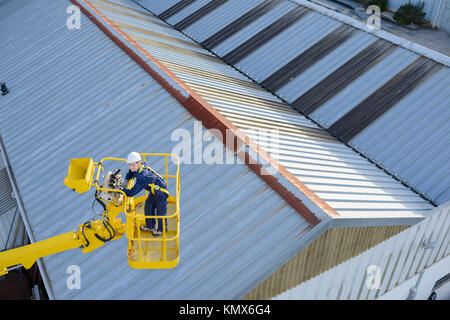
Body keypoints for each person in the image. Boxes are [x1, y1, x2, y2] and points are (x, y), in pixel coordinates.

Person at [121, 152, 169, 236]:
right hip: (155, 190)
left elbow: (132, 192)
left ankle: (162, 230)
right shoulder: (140, 165)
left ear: (138, 163)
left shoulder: (143, 176)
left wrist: (121, 191)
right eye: (129, 165)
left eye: (133, 165)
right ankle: (150, 226)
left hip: (161, 192)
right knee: (149, 206)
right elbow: (131, 172)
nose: (131, 167)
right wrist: (126, 179)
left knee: (160, 212)